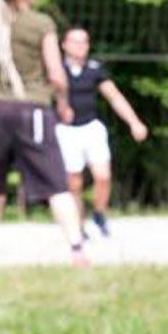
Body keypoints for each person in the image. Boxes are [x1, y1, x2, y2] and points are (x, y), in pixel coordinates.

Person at [0, 0, 90, 268]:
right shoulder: (41, 24)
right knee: (56, 184)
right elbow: (56, 74)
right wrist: (62, 104)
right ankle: (77, 250)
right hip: (31, 108)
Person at [56, 27, 149, 238]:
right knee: (74, 183)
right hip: (65, 131)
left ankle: (99, 213)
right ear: (64, 45)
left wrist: (135, 123)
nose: (81, 46)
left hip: (91, 128)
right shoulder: (56, 70)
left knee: (103, 177)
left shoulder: (95, 70)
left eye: (85, 42)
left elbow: (114, 97)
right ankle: (78, 226)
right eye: (76, 41)